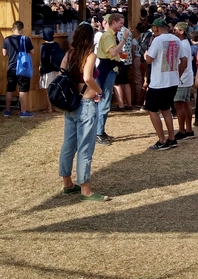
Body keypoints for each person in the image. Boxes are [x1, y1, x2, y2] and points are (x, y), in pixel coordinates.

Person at [58, 23, 109, 201]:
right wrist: (99, 91)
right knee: (85, 147)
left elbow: (61, 74)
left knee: (68, 144)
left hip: (70, 103)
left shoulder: (68, 55)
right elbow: (88, 77)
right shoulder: (89, 55)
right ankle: (85, 189)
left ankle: (67, 183)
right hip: (86, 103)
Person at [143, 17, 185, 150]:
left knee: (152, 109)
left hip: (159, 82)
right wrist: (178, 74)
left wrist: (145, 54)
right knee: (166, 108)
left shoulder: (157, 40)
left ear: (156, 28)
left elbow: (149, 60)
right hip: (172, 80)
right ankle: (171, 138)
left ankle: (162, 140)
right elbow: (183, 59)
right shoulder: (176, 39)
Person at [94, 13, 131, 145]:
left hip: (109, 69)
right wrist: (124, 39)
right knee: (104, 102)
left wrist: (119, 53)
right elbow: (113, 52)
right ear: (113, 22)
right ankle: (98, 133)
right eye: (121, 23)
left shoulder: (110, 35)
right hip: (107, 71)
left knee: (104, 101)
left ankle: (100, 131)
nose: (122, 25)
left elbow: (113, 52)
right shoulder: (109, 36)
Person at [1, 20, 33, 118]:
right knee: (22, 90)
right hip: (23, 69)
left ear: (13, 29)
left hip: (11, 68)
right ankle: (23, 112)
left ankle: (7, 111)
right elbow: (32, 52)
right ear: (22, 29)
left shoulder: (7, 40)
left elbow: (4, 53)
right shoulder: (26, 39)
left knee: (10, 89)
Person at [171, 22, 196, 140]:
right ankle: (189, 130)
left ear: (181, 32)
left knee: (178, 104)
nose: (173, 31)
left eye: (175, 30)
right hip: (186, 77)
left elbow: (183, 63)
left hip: (182, 78)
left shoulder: (182, 44)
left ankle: (182, 130)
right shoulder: (185, 43)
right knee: (185, 104)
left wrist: (178, 76)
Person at [38, 27, 65, 114]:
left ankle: (50, 107)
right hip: (56, 69)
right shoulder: (56, 44)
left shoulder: (43, 46)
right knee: (55, 89)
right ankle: (56, 106)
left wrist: (40, 67)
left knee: (47, 89)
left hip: (47, 70)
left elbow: (43, 59)